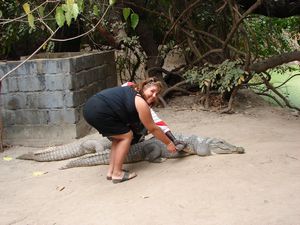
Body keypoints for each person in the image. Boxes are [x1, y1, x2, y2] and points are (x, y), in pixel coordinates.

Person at [83, 78, 177, 183]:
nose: (154, 95)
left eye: (157, 93)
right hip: (99, 111)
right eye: (152, 91)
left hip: (89, 108)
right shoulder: (140, 102)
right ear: (144, 88)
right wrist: (168, 143)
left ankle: (111, 171)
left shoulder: (132, 90)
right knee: (127, 136)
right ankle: (117, 173)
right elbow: (153, 128)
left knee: (117, 138)